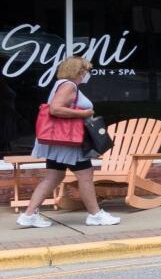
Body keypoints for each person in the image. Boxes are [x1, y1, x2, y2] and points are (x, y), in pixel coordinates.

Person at [27, 52, 121, 228]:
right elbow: (55, 109)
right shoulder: (69, 86)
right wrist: (84, 113)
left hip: (59, 142)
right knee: (85, 175)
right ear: (79, 71)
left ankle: (29, 214)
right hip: (69, 142)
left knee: (53, 177)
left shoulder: (61, 84)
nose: (87, 74)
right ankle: (95, 215)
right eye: (86, 70)